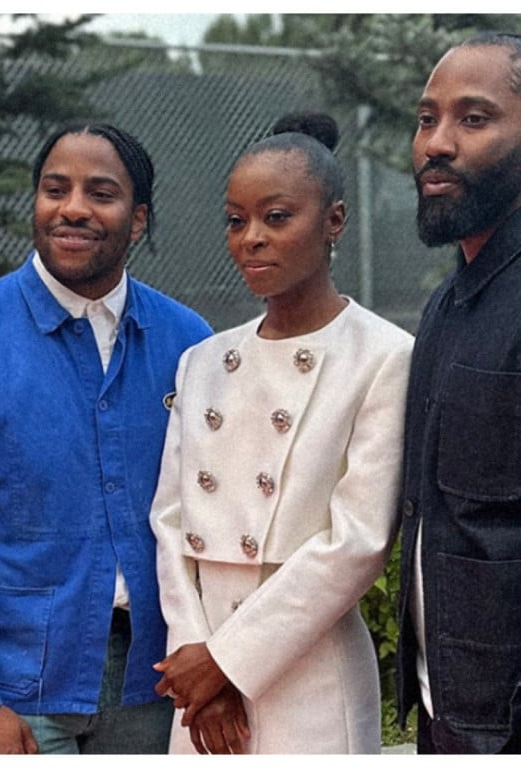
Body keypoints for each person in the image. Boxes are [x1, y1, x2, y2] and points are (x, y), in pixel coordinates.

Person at [0, 118, 212, 754]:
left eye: (101, 193)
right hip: (12, 696)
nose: (74, 209)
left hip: (156, 689)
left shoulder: (186, 343)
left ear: (138, 219)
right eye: (55, 189)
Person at [149, 112, 413, 754]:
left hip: (309, 669)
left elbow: (358, 540)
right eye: (236, 221)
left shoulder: (384, 355)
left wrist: (230, 660)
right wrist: (194, 655)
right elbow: (170, 518)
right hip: (200, 671)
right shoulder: (203, 361)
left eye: (276, 217)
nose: (251, 239)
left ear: (334, 222)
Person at [396, 32, 521, 753]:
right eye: (427, 119)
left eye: (473, 119)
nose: (436, 144)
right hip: (447, 719)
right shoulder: (450, 304)